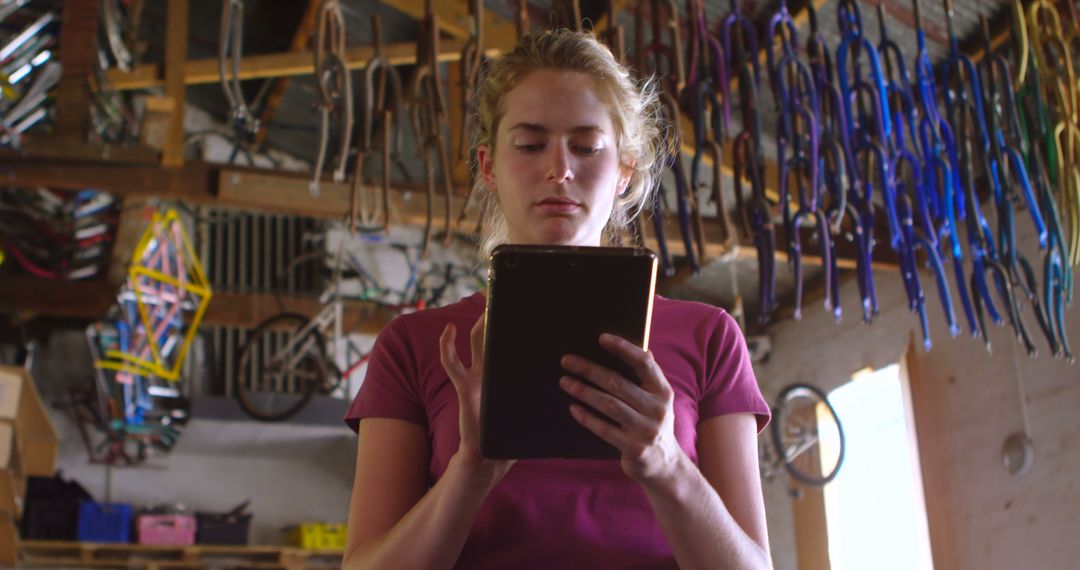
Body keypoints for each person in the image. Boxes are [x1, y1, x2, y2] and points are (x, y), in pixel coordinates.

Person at [343, 29, 772, 569]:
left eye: (587, 146)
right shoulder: (416, 344)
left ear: (624, 171)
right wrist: (470, 469)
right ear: (488, 166)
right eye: (529, 144)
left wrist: (666, 464)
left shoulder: (709, 337)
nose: (559, 168)